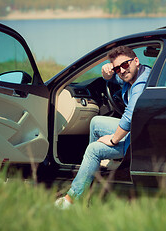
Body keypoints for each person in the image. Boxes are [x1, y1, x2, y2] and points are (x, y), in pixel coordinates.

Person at [55, 45, 151, 209]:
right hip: (137, 130)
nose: (122, 70)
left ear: (136, 60)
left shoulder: (140, 85)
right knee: (96, 122)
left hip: (138, 139)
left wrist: (113, 141)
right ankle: (91, 177)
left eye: (125, 65)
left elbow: (129, 117)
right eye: (117, 68)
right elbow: (117, 79)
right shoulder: (139, 72)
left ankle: (73, 199)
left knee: (93, 150)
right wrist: (106, 74)